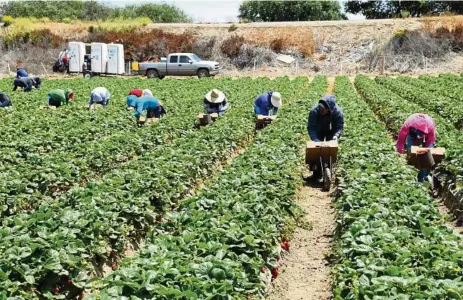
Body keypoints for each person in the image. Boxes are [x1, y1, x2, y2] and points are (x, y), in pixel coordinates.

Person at [397, 113, 436, 182]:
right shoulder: (408, 125)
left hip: (427, 135)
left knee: (427, 157)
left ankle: (422, 176)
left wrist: (427, 154)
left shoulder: (430, 126)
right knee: (411, 151)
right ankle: (411, 169)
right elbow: (401, 139)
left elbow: (431, 140)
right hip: (411, 134)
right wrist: (399, 150)